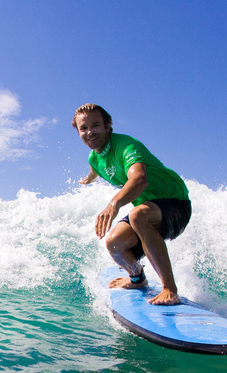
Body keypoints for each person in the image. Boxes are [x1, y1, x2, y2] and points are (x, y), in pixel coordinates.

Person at [73, 103, 191, 305]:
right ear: (78, 132)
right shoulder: (94, 158)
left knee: (138, 215)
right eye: (84, 128)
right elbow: (95, 168)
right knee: (114, 243)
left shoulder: (127, 146)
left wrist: (114, 204)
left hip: (175, 203)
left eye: (96, 125)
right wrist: (88, 178)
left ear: (108, 126)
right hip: (149, 208)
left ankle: (170, 289)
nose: (90, 132)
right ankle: (137, 278)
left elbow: (139, 179)